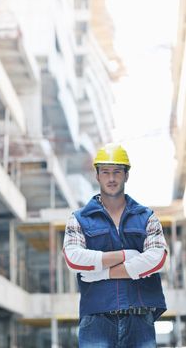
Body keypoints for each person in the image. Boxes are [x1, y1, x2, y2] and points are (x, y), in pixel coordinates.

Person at [63, 143, 167, 348]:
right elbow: (73, 259)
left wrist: (103, 273)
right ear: (97, 175)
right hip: (96, 320)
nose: (111, 178)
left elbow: (157, 259)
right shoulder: (79, 219)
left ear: (126, 175)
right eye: (106, 172)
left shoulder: (146, 217)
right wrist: (127, 255)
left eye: (117, 172)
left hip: (139, 318)